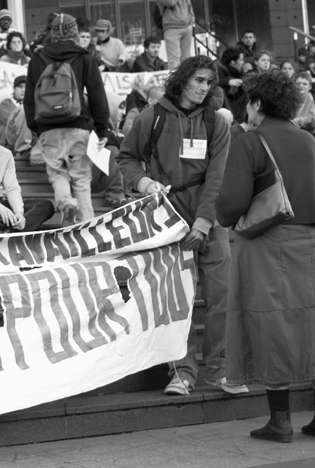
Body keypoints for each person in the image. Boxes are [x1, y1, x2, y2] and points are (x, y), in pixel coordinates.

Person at [216, 71, 315, 442]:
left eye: (248, 101)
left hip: (270, 244)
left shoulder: (250, 142)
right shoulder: (311, 142)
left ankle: (280, 422)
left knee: (273, 326)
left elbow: (230, 206)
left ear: (259, 104)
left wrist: (222, 213)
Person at [116, 55, 241, 397]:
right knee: (178, 302)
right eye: (199, 80)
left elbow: (217, 178)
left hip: (210, 224)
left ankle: (219, 371)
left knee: (220, 298)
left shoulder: (217, 123)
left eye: (209, 82)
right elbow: (126, 158)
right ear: (183, 80)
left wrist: (202, 223)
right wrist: (144, 183)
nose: (204, 88)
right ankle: (182, 374)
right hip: (167, 223)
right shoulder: (152, 116)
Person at [25, 13, 110, 224]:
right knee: (81, 178)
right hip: (78, 126)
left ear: (52, 34)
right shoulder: (84, 56)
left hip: (48, 129)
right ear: (73, 33)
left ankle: (66, 202)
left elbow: (29, 98)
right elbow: (98, 94)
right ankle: (87, 229)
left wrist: (36, 128)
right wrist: (101, 129)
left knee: (57, 173)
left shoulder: (38, 58)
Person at [0, 75, 32, 155]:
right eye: (20, 87)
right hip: (11, 138)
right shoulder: (6, 103)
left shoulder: (33, 105)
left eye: (26, 87)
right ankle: (23, 149)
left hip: (30, 137)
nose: (23, 90)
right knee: (23, 111)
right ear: (14, 89)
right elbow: (12, 121)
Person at [157, 0, 195, 69]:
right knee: (174, 60)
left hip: (186, 26)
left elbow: (189, 4)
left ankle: (186, 79)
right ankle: (175, 79)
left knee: (186, 59)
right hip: (172, 27)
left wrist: (191, 19)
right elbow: (170, 3)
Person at [217, 47, 247, 120]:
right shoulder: (217, 68)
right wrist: (228, 82)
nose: (243, 62)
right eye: (241, 60)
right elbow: (212, 83)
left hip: (234, 101)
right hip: (223, 105)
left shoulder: (238, 70)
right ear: (233, 62)